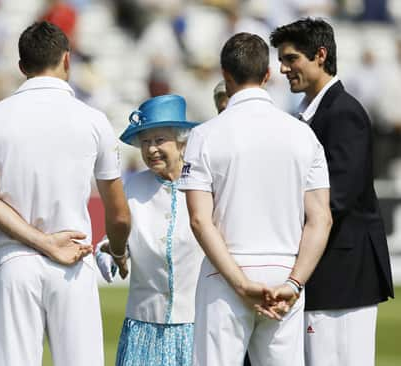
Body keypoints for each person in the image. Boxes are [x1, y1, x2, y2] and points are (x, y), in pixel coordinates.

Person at [0, 21, 130, 366]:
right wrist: (117, 252)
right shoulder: (94, 120)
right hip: (74, 257)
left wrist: (40, 243)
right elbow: (118, 213)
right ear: (67, 60)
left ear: (22, 67)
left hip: (14, 261)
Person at [179, 32, 333, 366]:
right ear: (267, 75)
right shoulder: (302, 134)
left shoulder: (205, 135)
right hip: (285, 272)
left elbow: (199, 219)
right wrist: (294, 283)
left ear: (225, 74)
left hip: (225, 274)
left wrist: (241, 284)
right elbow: (321, 218)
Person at [270, 18, 395, 366]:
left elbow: (337, 196)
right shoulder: (313, 114)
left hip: (344, 274)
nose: (283, 68)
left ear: (320, 55)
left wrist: (276, 217)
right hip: (328, 270)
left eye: (291, 58)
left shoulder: (344, 114)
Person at [96, 94, 204, 365]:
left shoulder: (204, 184)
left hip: (198, 323)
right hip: (144, 327)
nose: (151, 149)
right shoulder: (131, 187)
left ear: (182, 141)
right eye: (145, 142)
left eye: (159, 140)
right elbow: (113, 239)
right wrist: (111, 253)